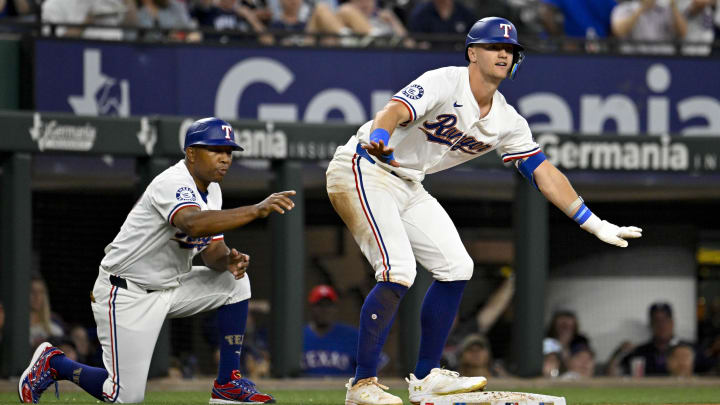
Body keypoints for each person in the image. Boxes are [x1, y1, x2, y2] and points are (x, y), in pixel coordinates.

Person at [325, 15, 642, 405]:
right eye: (495, 47)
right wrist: (378, 136)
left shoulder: (507, 120)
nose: (503, 55)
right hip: (364, 167)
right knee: (399, 270)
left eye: (510, 50)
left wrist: (592, 222)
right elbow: (392, 112)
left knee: (458, 267)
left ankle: (425, 377)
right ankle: (362, 385)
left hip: (409, 182)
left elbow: (542, 171)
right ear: (472, 53)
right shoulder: (445, 80)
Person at [19, 117, 296, 404]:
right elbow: (191, 223)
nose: (225, 158)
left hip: (169, 287)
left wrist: (228, 260)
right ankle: (54, 364)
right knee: (124, 395)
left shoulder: (212, 189)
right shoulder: (172, 181)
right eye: (216, 150)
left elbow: (212, 251)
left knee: (235, 283)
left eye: (228, 152)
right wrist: (256, 210)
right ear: (191, 153)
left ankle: (227, 384)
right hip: (126, 292)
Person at [607, 302, 684, 376]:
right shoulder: (639, 352)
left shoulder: (688, 349)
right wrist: (619, 352)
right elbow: (611, 374)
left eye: (664, 320)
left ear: (672, 322)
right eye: (656, 321)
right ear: (650, 324)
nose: (661, 325)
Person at [302, 284, 360, 377]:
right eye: (319, 305)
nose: (324, 310)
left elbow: (379, 364)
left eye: (328, 305)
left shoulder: (352, 335)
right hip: (304, 389)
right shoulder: (297, 336)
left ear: (335, 309)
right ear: (311, 308)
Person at [610, 0, 688, 54]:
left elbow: (683, 32)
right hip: (634, 60)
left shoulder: (666, 9)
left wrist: (673, 6)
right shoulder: (625, 8)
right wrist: (641, 8)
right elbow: (619, 31)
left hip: (664, 59)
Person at [29, 275, 64, 349]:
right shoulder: (15, 330)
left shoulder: (55, 330)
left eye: (41, 292)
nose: (37, 296)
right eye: (32, 291)